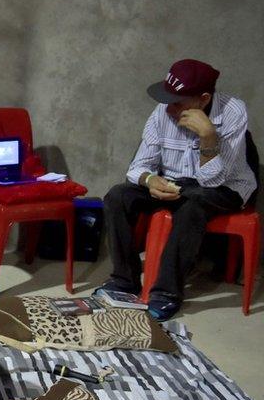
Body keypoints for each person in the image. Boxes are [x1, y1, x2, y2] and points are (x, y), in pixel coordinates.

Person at [97, 59, 257, 320]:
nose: (168, 108)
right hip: (175, 182)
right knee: (118, 196)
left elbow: (213, 181)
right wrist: (149, 180)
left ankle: (167, 293)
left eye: (177, 102)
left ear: (204, 99)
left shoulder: (233, 112)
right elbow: (137, 166)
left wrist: (208, 137)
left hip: (226, 188)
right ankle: (124, 280)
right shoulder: (163, 111)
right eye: (167, 100)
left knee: (192, 204)